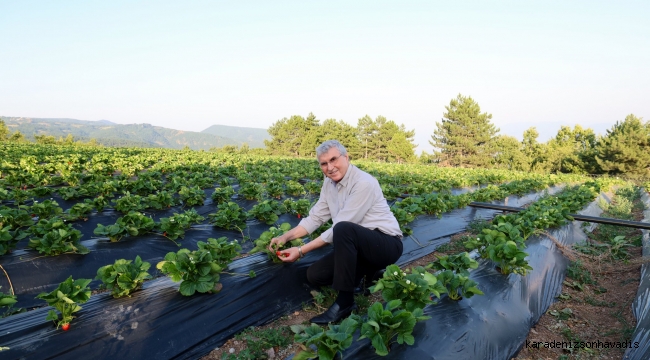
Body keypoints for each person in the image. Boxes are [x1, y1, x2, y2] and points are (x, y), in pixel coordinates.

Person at [268, 140, 403, 324]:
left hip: (386, 243)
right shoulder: (329, 184)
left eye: (333, 159)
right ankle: (367, 274)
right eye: (324, 163)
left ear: (346, 157)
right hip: (359, 247)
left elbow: (339, 228)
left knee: (342, 229)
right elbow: (316, 217)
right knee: (315, 275)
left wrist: (300, 251)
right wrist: (286, 236)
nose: (330, 167)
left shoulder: (364, 183)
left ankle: (345, 302)